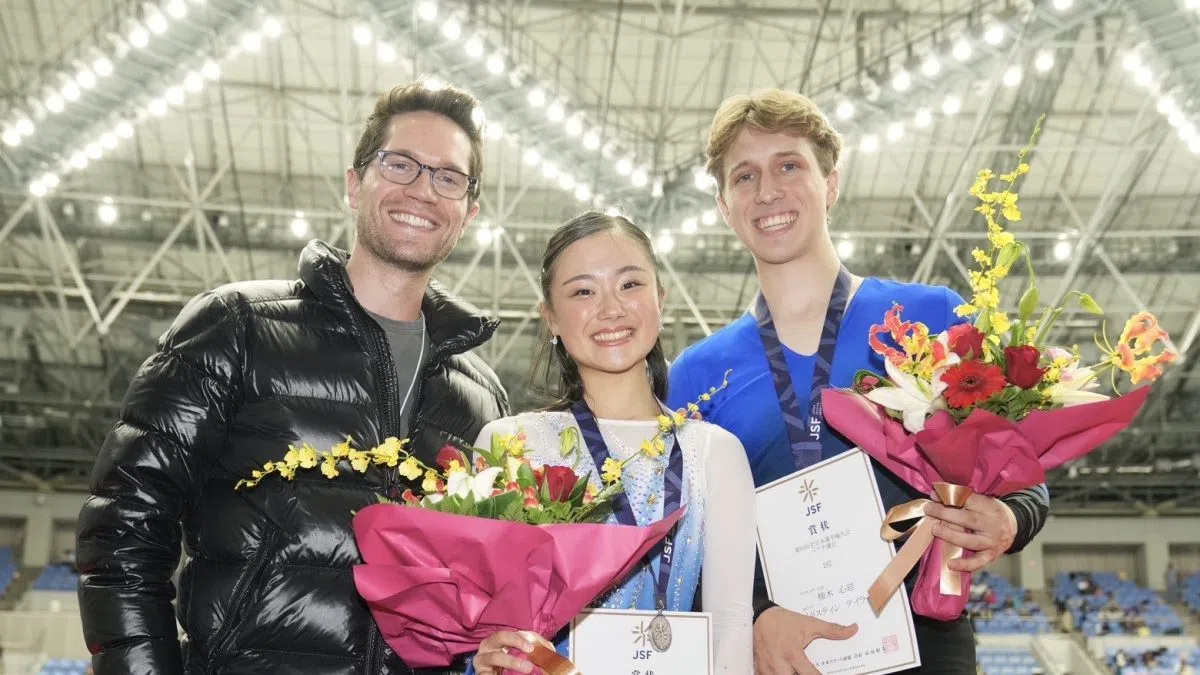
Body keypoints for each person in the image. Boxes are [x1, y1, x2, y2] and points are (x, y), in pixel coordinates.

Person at [76, 80, 511, 674]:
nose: (423, 190)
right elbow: (124, 525)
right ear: (355, 184)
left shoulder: (484, 400)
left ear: (469, 211)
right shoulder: (236, 326)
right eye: (401, 164)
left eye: (448, 177)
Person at [667, 88, 1051, 674]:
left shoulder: (932, 318)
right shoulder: (694, 374)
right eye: (744, 177)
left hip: (926, 640)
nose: (767, 190)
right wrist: (753, 615)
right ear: (724, 206)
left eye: (789, 166)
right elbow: (684, 544)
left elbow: (1023, 474)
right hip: (776, 653)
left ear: (832, 183)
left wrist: (1010, 518)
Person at [468, 212, 756, 674]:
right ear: (551, 318)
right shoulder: (509, 443)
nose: (611, 309)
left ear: (661, 299)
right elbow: (481, 627)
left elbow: (732, 627)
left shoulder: (714, 452)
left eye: (630, 285)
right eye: (583, 291)